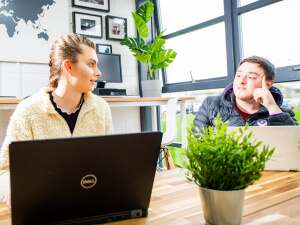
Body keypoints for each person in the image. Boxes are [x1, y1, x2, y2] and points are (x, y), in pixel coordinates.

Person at [0, 34, 114, 206]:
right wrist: (13, 191)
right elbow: (5, 170)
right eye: (91, 64)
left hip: (90, 202)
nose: (98, 72)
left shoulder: (101, 108)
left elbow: (108, 162)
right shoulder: (28, 110)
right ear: (68, 66)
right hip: (44, 206)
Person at [193, 56, 299, 132]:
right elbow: (197, 144)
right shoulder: (211, 104)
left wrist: (273, 109)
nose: (241, 81)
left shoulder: (282, 112)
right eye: (238, 75)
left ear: (267, 84)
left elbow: (293, 147)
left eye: (251, 77)